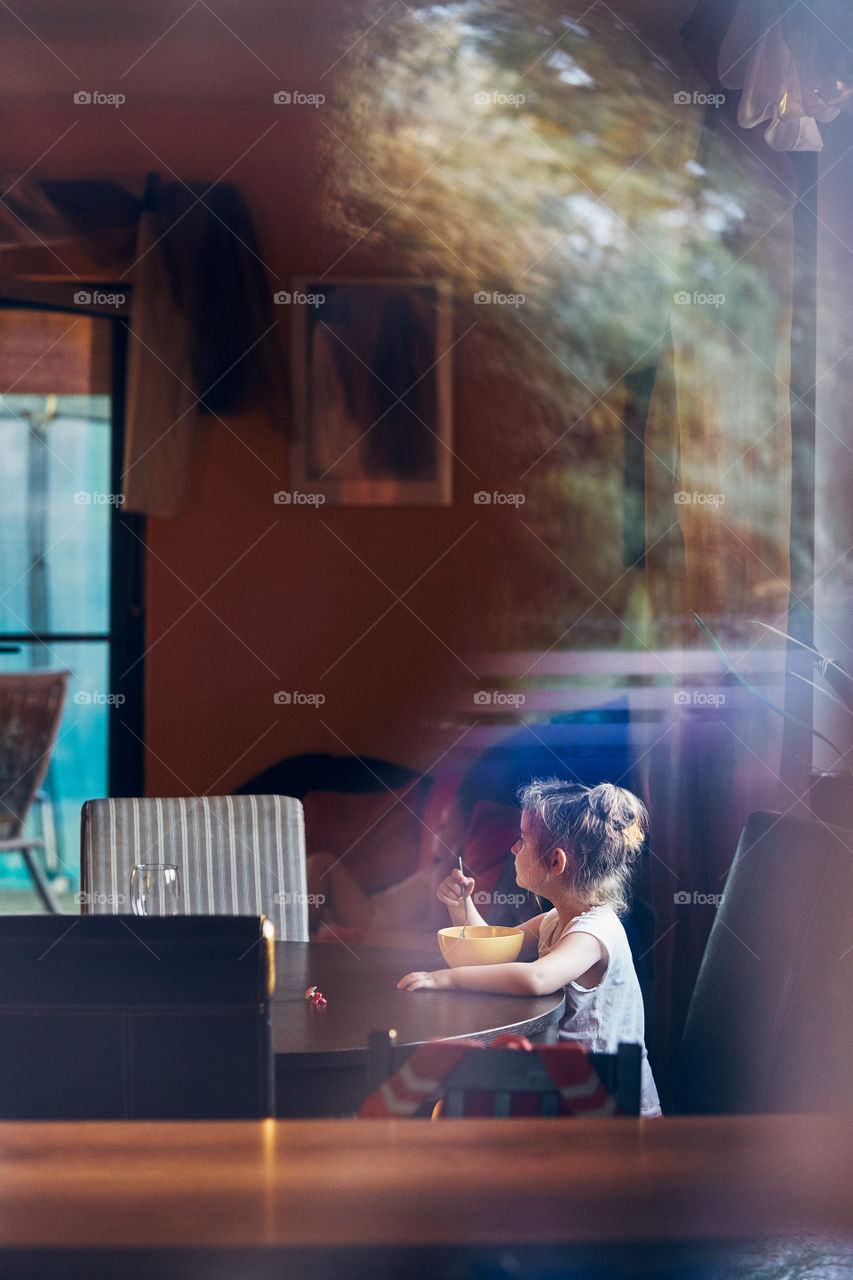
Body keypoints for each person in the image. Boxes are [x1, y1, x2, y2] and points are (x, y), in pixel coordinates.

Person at [398, 778, 662, 1117]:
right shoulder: (555, 919)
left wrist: (448, 979)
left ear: (555, 862)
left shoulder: (595, 932)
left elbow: (537, 978)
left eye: (522, 841)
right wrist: (462, 906)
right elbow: (494, 947)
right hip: (571, 1091)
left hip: (611, 1108)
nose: (513, 849)